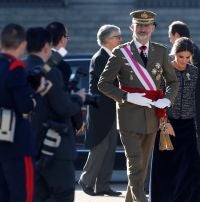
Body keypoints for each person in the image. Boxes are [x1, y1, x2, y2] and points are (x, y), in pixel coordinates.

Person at [98, 10, 179, 202]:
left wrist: (167, 100)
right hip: (128, 116)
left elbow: (173, 82)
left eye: (146, 25)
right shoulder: (121, 52)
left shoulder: (160, 51)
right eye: (138, 25)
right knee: (135, 164)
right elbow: (103, 84)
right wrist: (127, 96)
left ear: (153, 28)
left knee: (141, 167)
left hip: (152, 116)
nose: (142, 29)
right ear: (131, 27)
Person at [25, 26, 85, 202]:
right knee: (63, 193)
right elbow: (63, 107)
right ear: (46, 46)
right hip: (55, 143)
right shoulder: (50, 70)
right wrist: (78, 99)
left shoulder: (22, 67)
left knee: (39, 194)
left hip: (31, 141)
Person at [150, 37, 200, 202]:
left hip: (187, 124)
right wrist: (165, 123)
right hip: (166, 124)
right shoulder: (164, 71)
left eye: (188, 57)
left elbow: (195, 97)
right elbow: (157, 99)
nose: (184, 61)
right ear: (174, 54)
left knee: (193, 168)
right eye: (181, 57)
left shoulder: (194, 71)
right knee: (165, 168)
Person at [168, 20, 200, 197]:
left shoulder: (189, 52)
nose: (169, 40)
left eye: (170, 36)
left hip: (198, 111)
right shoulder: (192, 49)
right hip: (199, 109)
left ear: (177, 36)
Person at [0, 23, 46, 202]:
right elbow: (25, 106)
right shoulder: (15, 68)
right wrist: (38, 94)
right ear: (23, 44)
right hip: (16, 140)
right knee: (22, 194)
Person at [78, 24, 122, 197]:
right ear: (106, 39)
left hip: (110, 110)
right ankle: (86, 180)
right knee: (100, 148)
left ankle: (103, 185)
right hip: (100, 111)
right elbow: (107, 84)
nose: (120, 39)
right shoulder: (100, 57)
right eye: (117, 36)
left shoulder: (111, 56)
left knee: (110, 148)